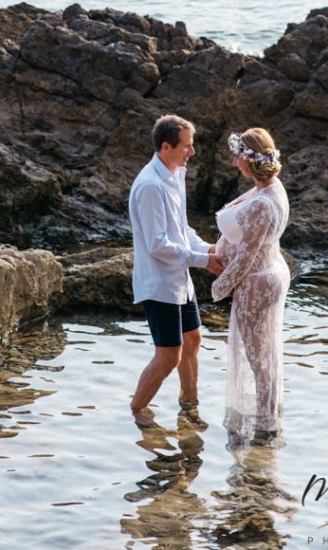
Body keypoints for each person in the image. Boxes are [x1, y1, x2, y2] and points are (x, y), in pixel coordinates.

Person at [129, 114, 224, 428]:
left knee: (193, 339)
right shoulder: (150, 186)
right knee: (169, 355)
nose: (192, 153)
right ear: (166, 146)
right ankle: (138, 411)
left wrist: (207, 247)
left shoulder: (174, 174)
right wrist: (201, 260)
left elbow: (180, 229)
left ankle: (189, 406)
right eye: (187, 146)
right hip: (159, 284)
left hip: (179, 279)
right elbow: (158, 245)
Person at [211, 127, 290, 443]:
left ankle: (263, 426)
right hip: (266, 273)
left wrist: (219, 287)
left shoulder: (262, 203)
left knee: (257, 356)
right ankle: (265, 418)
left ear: (251, 160)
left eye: (238, 156)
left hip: (257, 283)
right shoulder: (270, 188)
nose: (234, 163)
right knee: (263, 352)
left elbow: (244, 258)